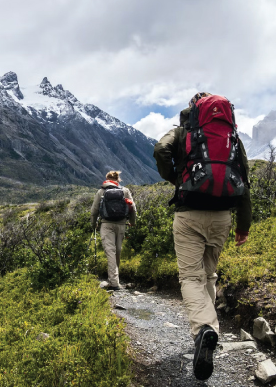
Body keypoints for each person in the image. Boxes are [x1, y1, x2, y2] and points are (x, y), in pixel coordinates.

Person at [153, 92, 252, 380]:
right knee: (209, 275)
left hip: (189, 214)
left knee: (190, 277)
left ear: (193, 109)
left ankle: (204, 330)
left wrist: (174, 177)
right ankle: (209, 331)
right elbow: (244, 178)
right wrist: (243, 226)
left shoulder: (184, 132)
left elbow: (161, 150)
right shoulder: (231, 137)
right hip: (222, 216)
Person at [90, 171, 137, 291]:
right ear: (118, 180)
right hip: (121, 224)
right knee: (118, 251)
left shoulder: (101, 191)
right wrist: (132, 222)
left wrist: (94, 224)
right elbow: (133, 208)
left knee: (110, 251)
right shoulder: (125, 191)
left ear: (106, 179)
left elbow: (94, 210)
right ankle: (115, 279)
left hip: (106, 225)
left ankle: (114, 282)